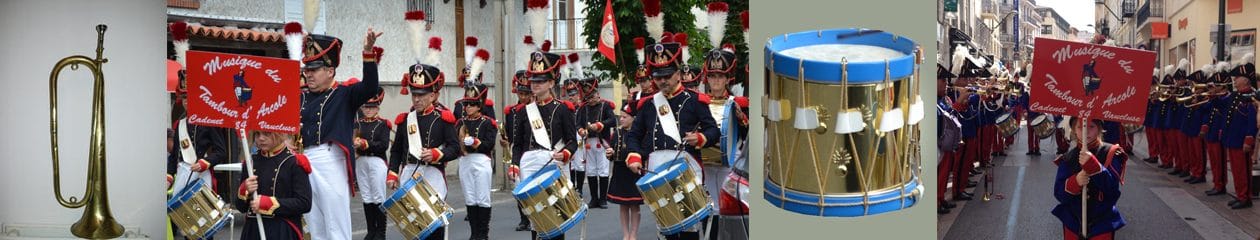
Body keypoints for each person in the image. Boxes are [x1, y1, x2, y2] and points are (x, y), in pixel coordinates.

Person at [625, 40, 720, 240]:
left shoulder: (694, 100)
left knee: (688, 228)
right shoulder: (648, 105)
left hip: (686, 168)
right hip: (656, 169)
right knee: (666, 228)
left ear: (678, 73)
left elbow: (713, 131)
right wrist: (634, 155)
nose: (662, 81)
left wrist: (701, 138)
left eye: (667, 76)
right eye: (658, 77)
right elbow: (634, 135)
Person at [298, 28, 382, 239]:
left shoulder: (344, 93)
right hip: (304, 159)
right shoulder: (301, 97)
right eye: (307, 69)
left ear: (330, 71)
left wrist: (368, 52)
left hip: (331, 160)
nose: (308, 74)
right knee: (314, 224)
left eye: (314, 69)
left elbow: (371, 87)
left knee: (336, 225)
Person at [388, 32, 460, 239]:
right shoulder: (405, 120)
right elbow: (396, 151)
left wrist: (438, 154)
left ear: (433, 95)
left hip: (433, 175)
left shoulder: (443, 118)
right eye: (414, 94)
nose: (417, 99)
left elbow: (455, 148)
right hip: (409, 173)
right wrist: (393, 172)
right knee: (414, 228)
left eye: (422, 95)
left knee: (434, 228)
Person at [511, 50, 579, 240]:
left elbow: (572, 141)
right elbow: (517, 145)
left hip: (553, 164)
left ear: (551, 83)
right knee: (536, 216)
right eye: (533, 81)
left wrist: (565, 153)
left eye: (540, 81)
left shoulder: (563, 109)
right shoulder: (524, 112)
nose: (535, 84)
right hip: (530, 166)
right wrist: (515, 165)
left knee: (556, 216)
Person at [1052, 117, 1127, 240]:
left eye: (1091, 127)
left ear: (1099, 129)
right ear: (1074, 131)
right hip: (1073, 222)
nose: (1086, 131)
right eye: (1080, 127)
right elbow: (1059, 194)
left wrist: (1095, 168)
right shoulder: (1067, 158)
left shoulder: (1111, 153)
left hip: (1102, 223)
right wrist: (1075, 182)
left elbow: (1113, 192)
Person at [237, 131, 312, 240]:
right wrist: (244, 190)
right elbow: (241, 207)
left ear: (281, 134)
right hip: (253, 228)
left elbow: (304, 203)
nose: (261, 138)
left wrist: (269, 204)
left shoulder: (294, 162)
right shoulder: (250, 162)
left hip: (282, 229)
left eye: (266, 134)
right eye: (257, 134)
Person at [354, 88, 391, 240]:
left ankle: (381, 232)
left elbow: (383, 145)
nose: (368, 110)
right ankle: (371, 230)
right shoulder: (358, 124)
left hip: (377, 161)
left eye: (372, 107)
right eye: (366, 107)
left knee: (378, 196)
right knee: (366, 197)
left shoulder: (383, 124)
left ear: (378, 108)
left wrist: (365, 144)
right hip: (361, 161)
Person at [575, 75, 615, 209]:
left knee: (603, 170)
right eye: (588, 97)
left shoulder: (606, 106)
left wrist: (600, 125)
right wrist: (581, 130)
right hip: (588, 142)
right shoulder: (583, 108)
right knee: (591, 170)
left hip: (602, 142)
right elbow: (578, 123)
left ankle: (603, 199)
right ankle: (594, 198)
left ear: (597, 94)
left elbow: (612, 120)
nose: (590, 100)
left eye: (592, 97)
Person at [503, 70, 535, 232]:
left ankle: (534, 217)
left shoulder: (535, 110)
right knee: (518, 187)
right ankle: (524, 219)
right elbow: (509, 132)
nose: (523, 97)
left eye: (526, 94)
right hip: (516, 150)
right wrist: (505, 141)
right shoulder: (512, 111)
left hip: (531, 152)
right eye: (521, 93)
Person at [1223, 53, 1256, 209]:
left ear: (1245, 80)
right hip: (1233, 139)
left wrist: (1248, 140)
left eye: (1236, 78)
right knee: (1236, 170)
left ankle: (1245, 198)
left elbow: (1252, 122)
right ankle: (1239, 194)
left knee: (1243, 171)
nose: (1234, 81)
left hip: (1242, 140)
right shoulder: (1236, 96)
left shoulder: (1250, 98)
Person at [607, 100, 642, 240]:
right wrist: (609, 154)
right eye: (620, 116)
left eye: (625, 117)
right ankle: (625, 234)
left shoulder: (639, 133)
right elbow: (613, 152)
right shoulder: (616, 132)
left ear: (633, 118)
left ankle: (633, 234)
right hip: (620, 171)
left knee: (634, 205)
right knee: (623, 205)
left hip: (633, 173)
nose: (621, 119)